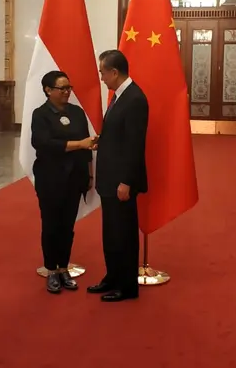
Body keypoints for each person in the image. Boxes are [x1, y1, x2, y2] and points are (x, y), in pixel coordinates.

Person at [87, 49, 149, 302]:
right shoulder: (119, 95)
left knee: (123, 233)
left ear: (114, 72)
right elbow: (120, 134)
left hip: (122, 181)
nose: (101, 78)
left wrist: (126, 181)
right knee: (111, 232)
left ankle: (127, 287)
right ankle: (112, 276)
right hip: (109, 179)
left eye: (103, 72)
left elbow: (135, 145)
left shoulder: (135, 99)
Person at [30, 70, 96, 294]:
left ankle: (63, 267)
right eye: (63, 88)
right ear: (48, 90)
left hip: (75, 177)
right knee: (51, 225)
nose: (68, 92)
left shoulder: (77, 112)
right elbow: (43, 144)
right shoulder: (40, 115)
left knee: (68, 226)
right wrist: (78, 144)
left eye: (69, 87)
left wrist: (89, 174)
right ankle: (51, 270)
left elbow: (87, 147)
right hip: (50, 178)